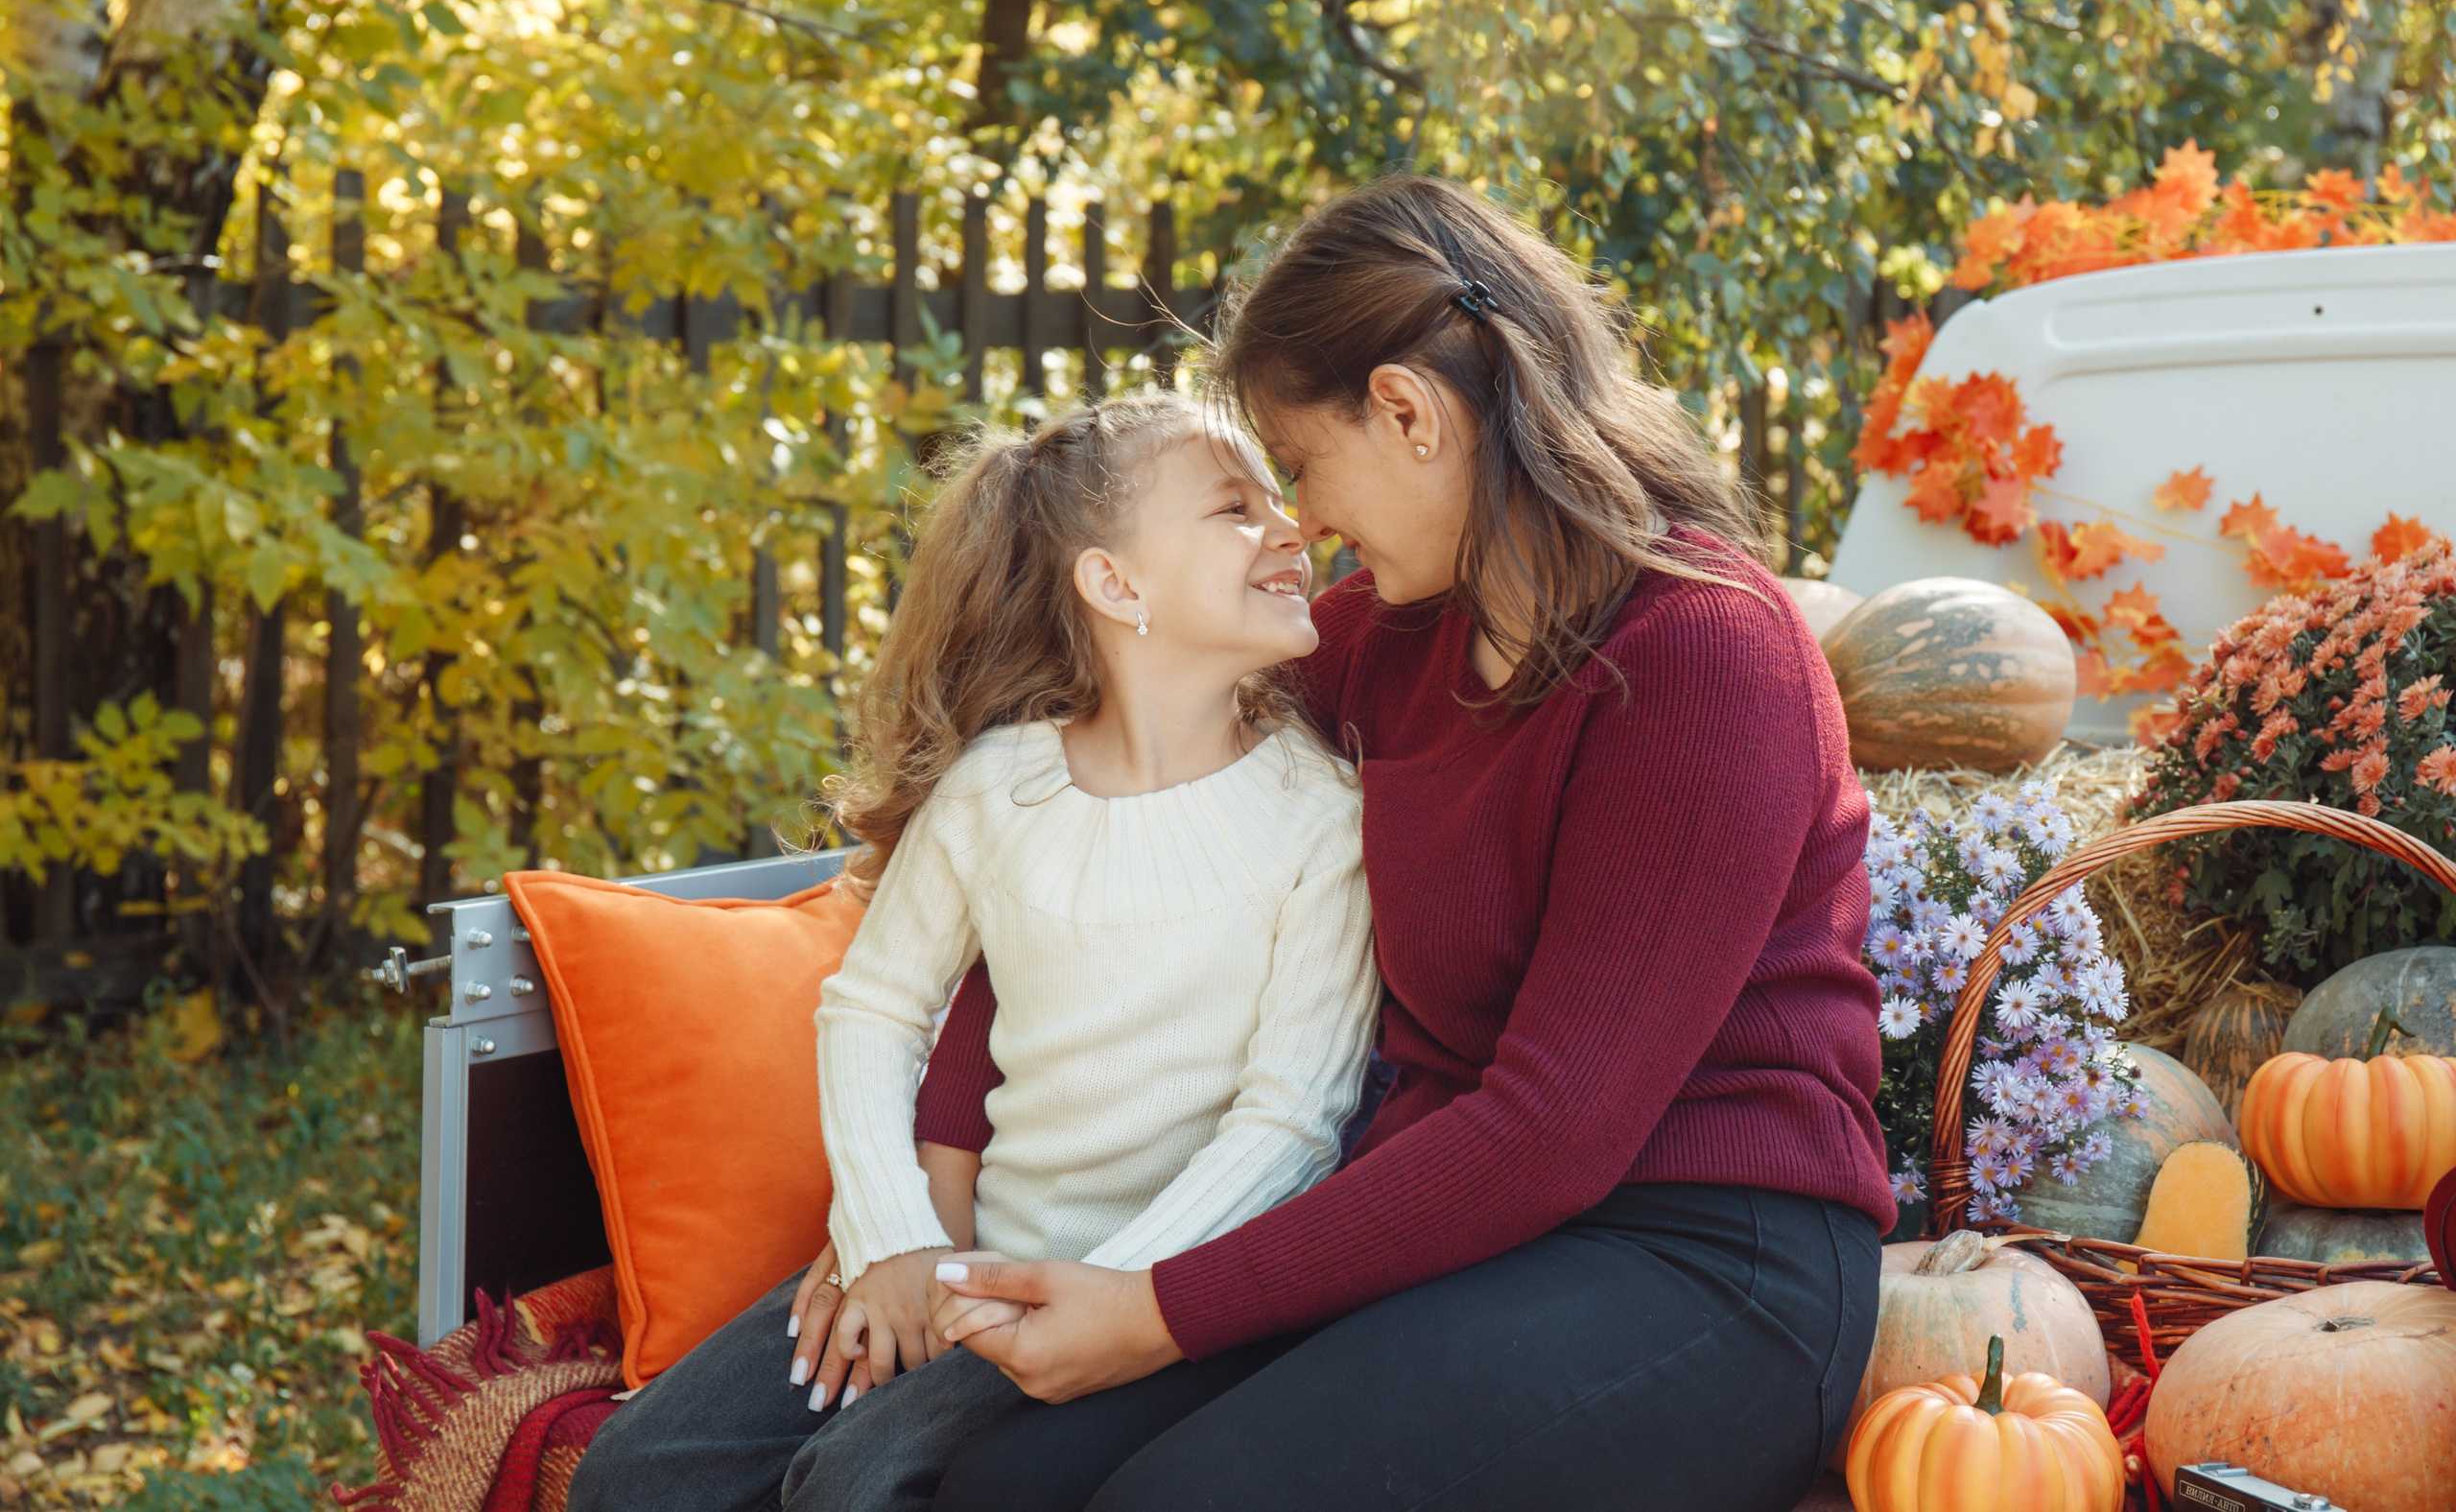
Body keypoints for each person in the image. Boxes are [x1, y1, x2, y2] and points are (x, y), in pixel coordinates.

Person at [907, 173, 1895, 1511]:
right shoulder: (1379, 639)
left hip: (1710, 1258)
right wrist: (927, 1178)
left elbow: (1555, 1126)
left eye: (1302, 466)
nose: (1303, 522)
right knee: (1004, 1481)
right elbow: (1088, 838)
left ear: (1409, 411)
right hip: (1456, 1225)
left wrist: (1157, 1308)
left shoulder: (1705, 653)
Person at [565, 393, 1382, 1512]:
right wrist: (890, 1236)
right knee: (634, 1475)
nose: (1291, 528)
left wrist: (1099, 1299)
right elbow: (873, 1009)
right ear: (1114, 584)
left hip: (1144, 1290)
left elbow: (1291, 1118)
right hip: (959, 1251)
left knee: (853, 1483)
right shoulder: (998, 786)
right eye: (1235, 507)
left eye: (1279, 501)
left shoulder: (1323, 817)